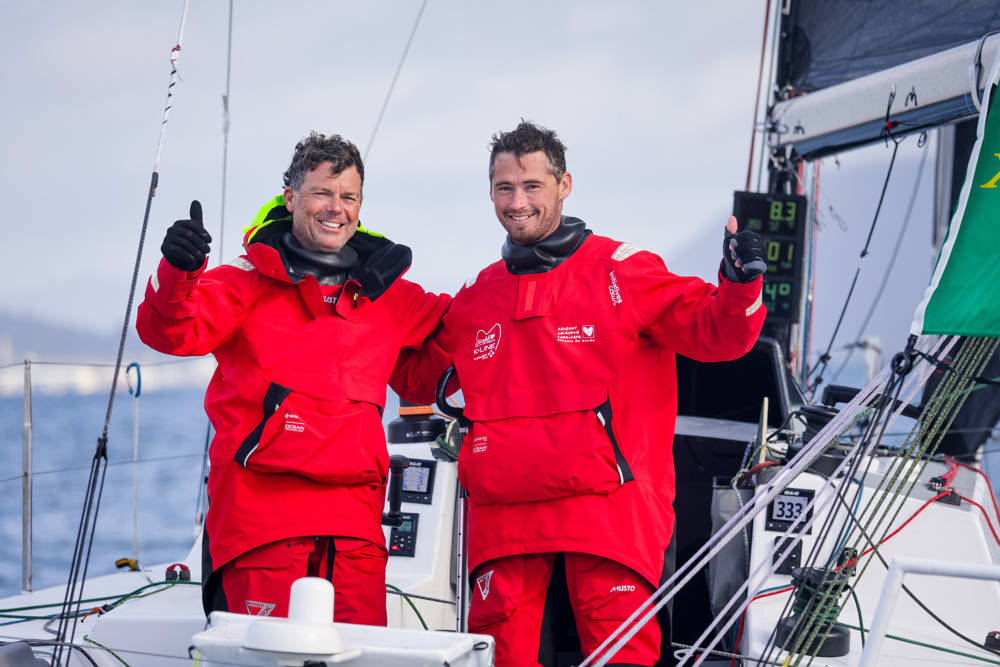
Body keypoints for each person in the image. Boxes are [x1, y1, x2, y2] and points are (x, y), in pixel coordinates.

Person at [392, 121, 767, 666]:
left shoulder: (624, 271)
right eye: (504, 188)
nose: (517, 202)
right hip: (505, 513)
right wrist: (363, 296)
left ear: (564, 185)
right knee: (498, 654)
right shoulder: (477, 295)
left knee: (621, 651)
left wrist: (738, 285)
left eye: (532, 186)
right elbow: (416, 378)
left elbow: (718, 334)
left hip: (608, 509)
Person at [136, 132, 450, 625]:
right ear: (291, 198)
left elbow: (466, 335)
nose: (336, 208)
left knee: (361, 659)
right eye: (322, 193)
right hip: (260, 527)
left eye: (348, 196)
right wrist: (178, 269)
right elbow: (167, 331)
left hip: (355, 533)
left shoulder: (388, 297)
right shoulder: (242, 281)